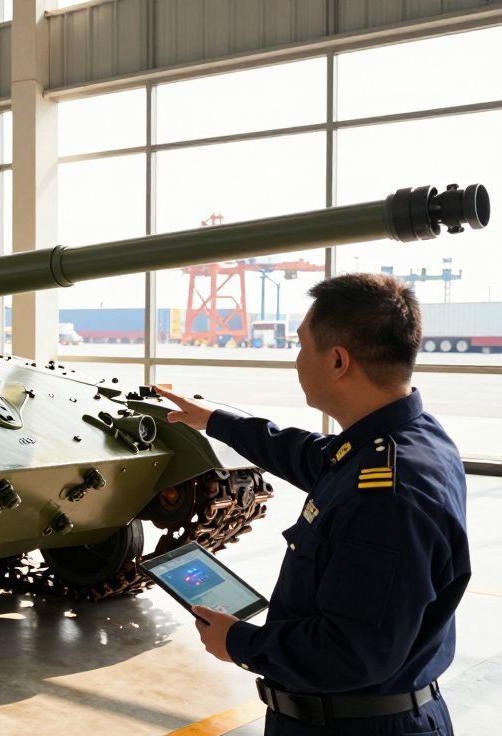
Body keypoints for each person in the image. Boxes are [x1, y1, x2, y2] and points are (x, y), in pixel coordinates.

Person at [156, 273, 470, 736]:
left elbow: (350, 652)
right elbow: (307, 454)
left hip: (356, 724)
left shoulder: (387, 497)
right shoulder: (409, 438)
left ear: (339, 360)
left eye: (303, 346)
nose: (298, 361)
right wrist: (216, 421)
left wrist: (239, 642)